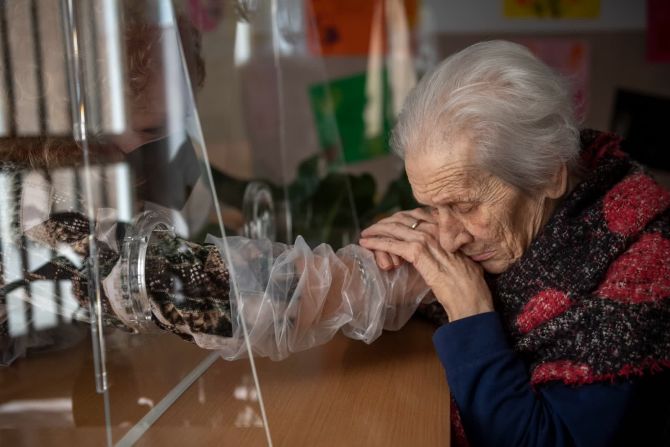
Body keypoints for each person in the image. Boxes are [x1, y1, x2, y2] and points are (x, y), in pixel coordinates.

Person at [358, 40, 670, 446]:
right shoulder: (523, 228)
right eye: (433, 208)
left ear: (549, 176)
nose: (448, 238)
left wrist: (470, 313)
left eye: (465, 206)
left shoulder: (644, 268)